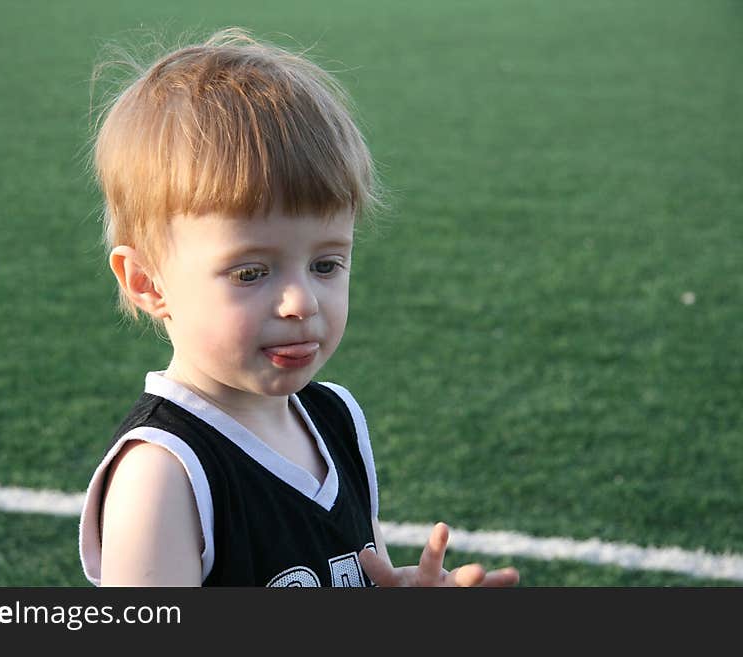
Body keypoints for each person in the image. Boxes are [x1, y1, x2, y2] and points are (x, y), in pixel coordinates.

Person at [78, 27, 519, 587]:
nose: (300, 302)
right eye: (251, 272)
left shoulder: (336, 420)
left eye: (327, 265)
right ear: (147, 282)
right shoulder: (164, 475)